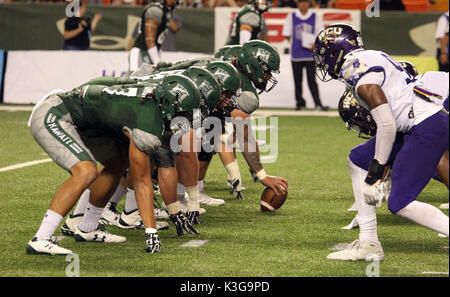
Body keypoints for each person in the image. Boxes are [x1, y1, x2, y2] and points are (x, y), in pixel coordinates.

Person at [313, 23, 449, 261]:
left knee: (400, 202)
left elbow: (387, 125)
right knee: (357, 160)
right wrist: (375, 172)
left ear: (336, 52)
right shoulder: (371, 55)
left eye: (324, 55)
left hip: (425, 124)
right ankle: (369, 243)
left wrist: (376, 175)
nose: (323, 62)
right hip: (418, 120)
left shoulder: (353, 72)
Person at [26, 74, 201, 255]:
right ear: (167, 104)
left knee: (118, 164)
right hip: (57, 114)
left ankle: (87, 227)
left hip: (86, 121)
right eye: (181, 113)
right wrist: (151, 230)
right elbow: (141, 180)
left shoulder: (151, 94)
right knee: (86, 171)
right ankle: (41, 238)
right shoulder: (146, 121)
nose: (183, 121)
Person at [157, 41, 289, 199]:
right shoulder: (242, 91)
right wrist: (262, 175)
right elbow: (244, 136)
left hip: (172, 96)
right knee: (181, 144)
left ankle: (191, 193)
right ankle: (165, 198)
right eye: (267, 71)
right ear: (253, 66)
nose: (269, 76)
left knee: (208, 135)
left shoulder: (224, 69)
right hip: (166, 101)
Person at [282, 0, 327, 111]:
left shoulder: (315, 16)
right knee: (298, 81)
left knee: (312, 80)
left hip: (309, 54)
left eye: (306, 2)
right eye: (301, 2)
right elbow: (286, 34)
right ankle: (300, 103)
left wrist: (314, 44)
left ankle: (318, 104)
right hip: (296, 54)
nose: (303, 4)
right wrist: (297, 42)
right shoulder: (291, 16)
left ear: (309, 4)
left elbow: (321, 34)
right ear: (297, 4)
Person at [129, 0, 178, 71]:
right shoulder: (155, 11)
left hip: (150, 52)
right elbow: (149, 40)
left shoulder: (164, 11)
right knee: (136, 80)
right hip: (142, 52)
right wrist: (158, 62)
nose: (175, 2)